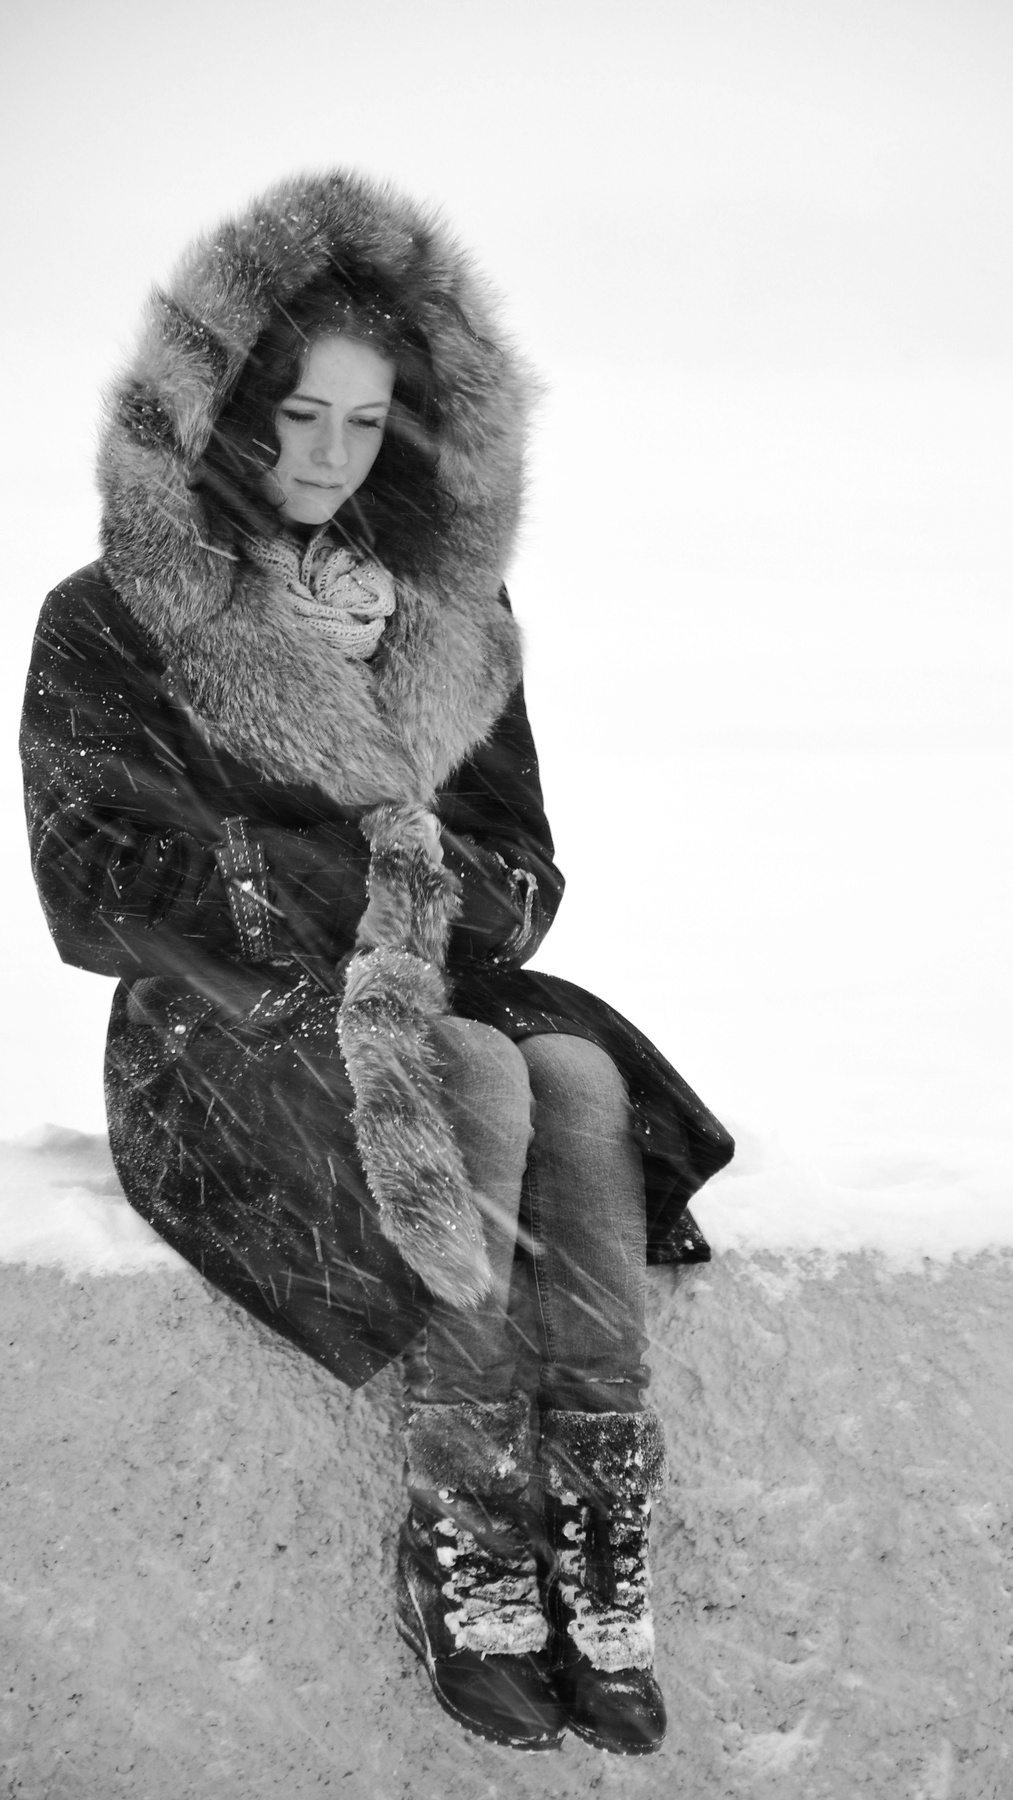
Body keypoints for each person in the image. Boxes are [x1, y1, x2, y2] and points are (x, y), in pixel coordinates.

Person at [20, 170, 733, 1756]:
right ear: (223, 413)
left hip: (425, 990)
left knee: (575, 1077)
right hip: (223, 1022)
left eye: (363, 423)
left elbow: (522, 865)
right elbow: (93, 888)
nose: (326, 457)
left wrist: (441, 897)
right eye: (297, 416)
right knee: (477, 1069)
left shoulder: (450, 611)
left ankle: (598, 1539)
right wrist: (368, 870)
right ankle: (468, 1536)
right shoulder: (112, 617)